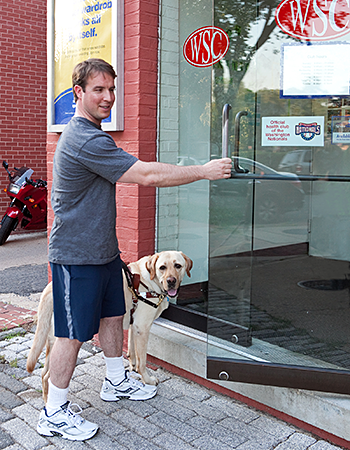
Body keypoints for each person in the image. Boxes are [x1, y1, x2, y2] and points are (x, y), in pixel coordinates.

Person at [36, 58, 232, 441]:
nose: (108, 97)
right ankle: (54, 412)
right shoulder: (83, 138)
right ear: (79, 93)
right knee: (71, 335)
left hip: (105, 252)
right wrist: (204, 171)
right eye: (98, 90)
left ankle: (115, 381)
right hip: (77, 256)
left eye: (112, 89)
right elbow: (146, 175)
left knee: (113, 314)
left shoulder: (93, 134)